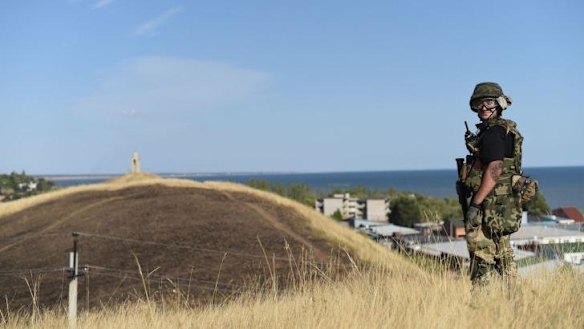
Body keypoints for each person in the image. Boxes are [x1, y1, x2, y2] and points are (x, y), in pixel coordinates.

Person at [461, 82, 524, 286]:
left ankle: (482, 303)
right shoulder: (501, 130)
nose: (484, 108)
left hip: (489, 206)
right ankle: (514, 302)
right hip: (501, 206)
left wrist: (475, 204)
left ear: (499, 104)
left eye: (488, 102)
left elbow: (495, 168)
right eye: (479, 104)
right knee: (504, 256)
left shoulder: (495, 132)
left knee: (482, 256)